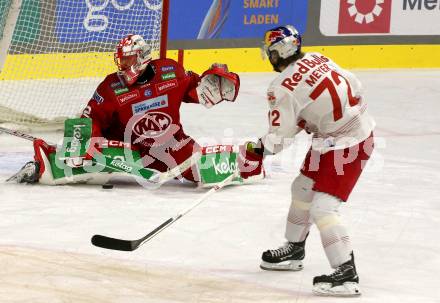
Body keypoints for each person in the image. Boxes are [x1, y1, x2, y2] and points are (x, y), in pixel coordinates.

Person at [244, 25, 375, 296]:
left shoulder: (280, 87)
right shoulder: (317, 57)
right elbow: (354, 84)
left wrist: (256, 150)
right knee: (302, 187)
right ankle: (294, 250)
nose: (269, 57)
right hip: (342, 133)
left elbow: (280, 138)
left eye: (271, 52)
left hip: (347, 144)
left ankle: (346, 274)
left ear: (280, 52)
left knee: (324, 208)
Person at [13, 34, 243, 185]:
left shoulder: (169, 70)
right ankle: (42, 164)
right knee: (83, 159)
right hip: (128, 149)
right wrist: (86, 143)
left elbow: (195, 90)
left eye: (128, 60)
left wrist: (215, 83)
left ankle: (249, 166)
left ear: (142, 57)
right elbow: (91, 118)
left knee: (205, 169)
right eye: (121, 61)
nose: (123, 66)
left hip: (171, 144)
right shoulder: (111, 86)